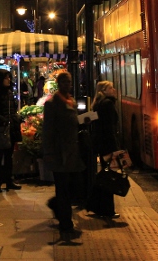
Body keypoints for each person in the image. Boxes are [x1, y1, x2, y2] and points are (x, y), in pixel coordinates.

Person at [42, 72, 85, 240]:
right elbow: (48, 131)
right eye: (65, 82)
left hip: (73, 152)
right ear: (59, 84)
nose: (68, 85)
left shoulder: (71, 100)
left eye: (69, 82)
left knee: (74, 187)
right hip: (60, 153)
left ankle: (55, 205)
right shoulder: (53, 103)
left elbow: (72, 122)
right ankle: (66, 225)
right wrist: (50, 154)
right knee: (64, 190)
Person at [87, 81, 120, 219]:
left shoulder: (99, 103)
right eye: (111, 88)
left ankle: (98, 206)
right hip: (108, 146)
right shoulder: (108, 104)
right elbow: (109, 128)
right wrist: (115, 149)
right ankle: (106, 209)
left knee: (104, 175)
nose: (114, 89)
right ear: (105, 91)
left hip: (101, 144)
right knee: (108, 178)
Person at [0, 69, 22, 194]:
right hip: (0, 129)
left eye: (9, 77)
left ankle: (9, 181)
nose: (9, 80)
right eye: (6, 78)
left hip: (10, 128)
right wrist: (2, 120)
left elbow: (12, 110)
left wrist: (16, 119)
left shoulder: (9, 92)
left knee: (9, 156)